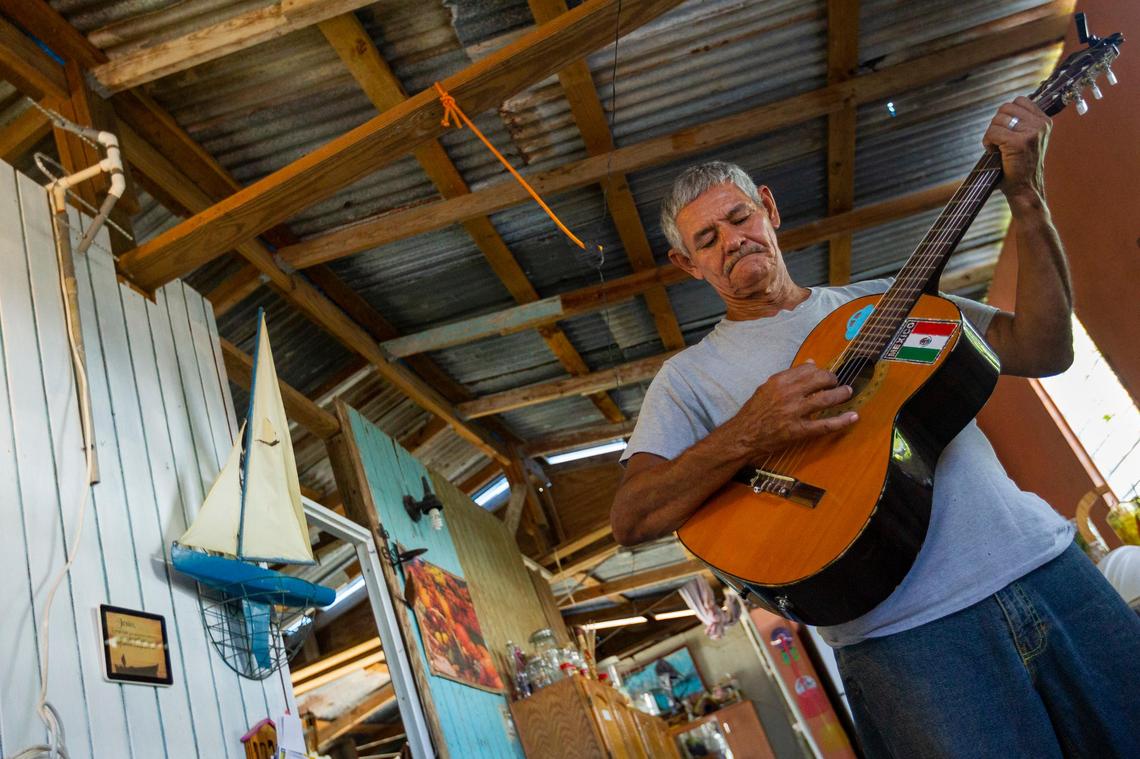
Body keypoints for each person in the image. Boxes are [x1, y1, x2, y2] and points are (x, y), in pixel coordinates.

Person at [610, 97, 1140, 757]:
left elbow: (1041, 345)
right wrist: (752, 428)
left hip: (1048, 564)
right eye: (706, 240)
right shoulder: (686, 379)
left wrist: (1027, 198)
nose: (731, 241)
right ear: (686, 264)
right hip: (908, 638)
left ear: (769, 209)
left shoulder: (884, 301)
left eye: (738, 217)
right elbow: (633, 516)